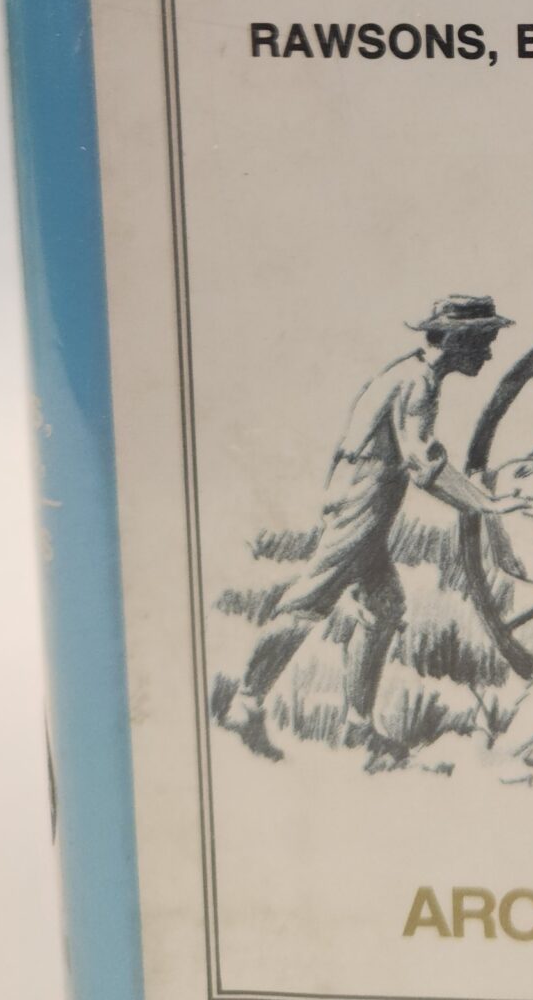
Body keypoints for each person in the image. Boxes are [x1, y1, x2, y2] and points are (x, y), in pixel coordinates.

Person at [218, 293, 511, 768]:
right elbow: (424, 464)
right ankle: (244, 705)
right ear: (456, 340)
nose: (489, 354)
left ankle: (357, 727)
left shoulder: (413, 374)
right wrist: (485, 504)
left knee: (384, 606)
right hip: (364, 501)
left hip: (364, 498)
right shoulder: (417, 384)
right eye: (483, 342)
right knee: (308, 602)